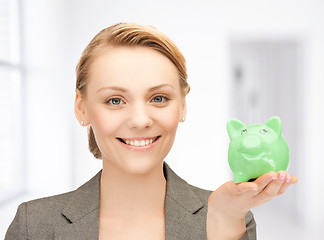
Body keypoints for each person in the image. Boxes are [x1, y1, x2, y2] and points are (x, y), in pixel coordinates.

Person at [5, 22, 299, 240]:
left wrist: (223, 221)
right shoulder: (35, 225)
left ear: (182, 106)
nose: (140, 120)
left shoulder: (231, 218)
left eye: (159, 98)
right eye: (115, 100)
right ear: (81, 108)